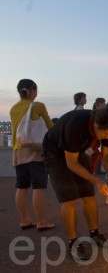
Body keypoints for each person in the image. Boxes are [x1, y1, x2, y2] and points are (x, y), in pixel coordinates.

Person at [43, 107, 108, 260]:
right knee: (70, 199)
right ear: (96, 123)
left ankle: (94, 234)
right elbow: (71, 164)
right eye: (106, 133)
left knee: (89, 195)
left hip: (76, 152)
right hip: (55, 153)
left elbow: (106, 156)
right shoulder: (76, 125)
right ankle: (73, 243)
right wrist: (96, 180)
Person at [9, 79, 55, 231]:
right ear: (32, 91)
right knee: (38, 187)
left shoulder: (13, 109)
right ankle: (41, 221)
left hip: (18, 150)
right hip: (35, 150)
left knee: (21, 187)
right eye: (36, 90)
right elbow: (50, 126)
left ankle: (24, 220)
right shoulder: (38, 105)